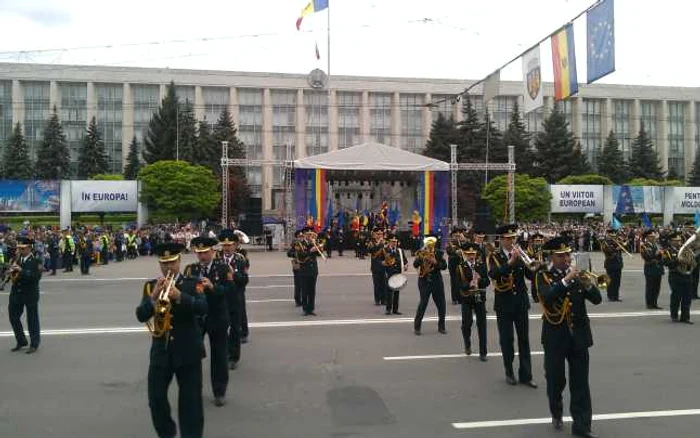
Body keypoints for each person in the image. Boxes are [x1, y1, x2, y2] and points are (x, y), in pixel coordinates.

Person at [135, 242, 208, 438]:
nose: (168, 267)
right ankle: (167, 433)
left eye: (172, 262)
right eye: (164, 263)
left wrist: (179, 296)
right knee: (156, 399)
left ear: (179, 261)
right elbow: (141, 315)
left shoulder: (193, 283)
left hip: (188, 350)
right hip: (162, 351)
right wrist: (153, 297)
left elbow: (203, 308)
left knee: (190, 402)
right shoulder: (151, 286)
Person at [534, 236, 601, 438]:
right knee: (555, 380)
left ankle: (582, 426)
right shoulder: (542, 275)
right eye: (560, 255)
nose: (565, 258)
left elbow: (597, 300)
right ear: (551, 257)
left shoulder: (579, 275)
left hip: (579, 336)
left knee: (580, 382)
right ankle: (556, 410)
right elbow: (545, 296)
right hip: (555, 336)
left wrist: (588, 284)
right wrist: (566, 280)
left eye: (567, 254)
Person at [185, 236, 234, 407]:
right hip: (197, 317)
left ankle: (219, 391)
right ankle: (193, 390)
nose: (202, 256)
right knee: (193, 355)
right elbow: (185, 292)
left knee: (219, 354)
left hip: (217, 315)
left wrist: (213, 287)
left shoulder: (223, 268)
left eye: (205, 252)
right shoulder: (191, 270)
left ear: (212, 251)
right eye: (199, 253)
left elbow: (231, 290)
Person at [487, 224, 537, 388]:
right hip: (504, 303)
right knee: (507, 340)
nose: (511, 241)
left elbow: (530, 275)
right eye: (508, 238)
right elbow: (493, 274)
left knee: (524, 340)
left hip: (521, 302)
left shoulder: (522, 254)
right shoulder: (494, 256)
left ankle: (526, 375)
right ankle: (509, 371)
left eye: (513, 238)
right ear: (501, 240)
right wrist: (510, 261)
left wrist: (534, 266)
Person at [218, 229, 248, 369]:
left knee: (235, 329)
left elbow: (245, 280)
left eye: (229, 245)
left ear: (235, 245)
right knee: (222, 329)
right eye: (224, 245)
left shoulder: (240, 260)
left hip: (236, 298)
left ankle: (233, 357)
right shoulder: (216, 260)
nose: (227, 248)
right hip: (221, 299)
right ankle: (223, 354)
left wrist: (233, 276)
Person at [7, 237, 42, 354]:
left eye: (23, 248)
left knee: (32, 319)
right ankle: (21, 340)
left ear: (29, 248)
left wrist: (21, 271)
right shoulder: (17, 259)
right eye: (19, 248)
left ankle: (34, 343)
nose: (20, 250)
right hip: (16, 293)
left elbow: (35, 278)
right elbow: (12, 276)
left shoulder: (36, 261)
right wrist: (9, 271)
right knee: (13, 317)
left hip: (30, 293)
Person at [457, 242, 490, 361]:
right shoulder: (461, 266)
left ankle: (483, 352)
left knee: (482, 324)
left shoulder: (481, 265)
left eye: (473, 254)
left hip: (479, 296)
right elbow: (458, 285)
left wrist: (480, 280)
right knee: (467, 324)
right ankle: (467, 342)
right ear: (465, 254)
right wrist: (468, 284)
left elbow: (487, 282)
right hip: (467, 297)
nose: (472, 256)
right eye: (469, 254)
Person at [413, 236, 447, 335]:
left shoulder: (439, 253)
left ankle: (441, 326)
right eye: (428, 243)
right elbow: (415, 265)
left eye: (432, 244)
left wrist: (435, 262)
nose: (430, 245)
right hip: (424, 281)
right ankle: (417, 327)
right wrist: (421, 257)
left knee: (441, 305)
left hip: (437, 281)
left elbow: (444, 266)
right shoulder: (421, 252)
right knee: (423, 303)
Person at [662, 232, 694, 324]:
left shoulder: (685, 250)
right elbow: (667, 263)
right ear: (671, 241)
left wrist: (690, 262)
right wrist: (677, 260)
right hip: (675, 276)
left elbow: (692, 260)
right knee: (676, 297)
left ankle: (685, 317)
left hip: (687, 275)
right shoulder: (667, 251)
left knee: (687, 298)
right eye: (676, 241)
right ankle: (674, 315)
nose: (678, 242)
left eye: (679, 240)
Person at [383, 234, 407, 315]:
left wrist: (406, 265)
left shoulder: (400, 251)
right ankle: (388, 309)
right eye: (392, 242)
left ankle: (395, 309)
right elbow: (380, 260)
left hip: (398, 273)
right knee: (389, 292)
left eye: (395, 242)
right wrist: (383, 263)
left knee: (397, 292)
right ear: (389, 242)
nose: (394, 243)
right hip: (389, 273)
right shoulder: (385, 250)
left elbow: (405, 260)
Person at [640, 230, 664, 309]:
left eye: (654, 236)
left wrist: (662, 253)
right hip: (650, 268)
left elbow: (661, 255)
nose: (653, 238)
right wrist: (656, 254)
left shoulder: (657, 245)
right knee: (650, 287)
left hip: (658, 268)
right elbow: (646, 257)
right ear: (647, 237)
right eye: (651, 237)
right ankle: (649, 303)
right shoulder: (644, 246)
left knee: (657, 287)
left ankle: (655, 303)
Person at [601, 229, 624, 302]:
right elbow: (608, 251)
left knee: (617, 281)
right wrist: (617, 249)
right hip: (610, 264)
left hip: (618, 264)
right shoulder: (605, 242)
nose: (613, 235)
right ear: (608, 234)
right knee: (610, 280)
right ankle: (610, 296)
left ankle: (616, 296)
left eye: (613, 234)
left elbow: (625, 247)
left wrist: (621, 243)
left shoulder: (616, 242)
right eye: (611, 234)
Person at [368, 228, 387, 306]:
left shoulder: (385, 243)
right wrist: (379, 243)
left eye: (381, 234)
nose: (380, 236)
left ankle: (384, 299)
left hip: (384, 266)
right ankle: (377, 299)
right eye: (378, 234)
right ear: (375, 235)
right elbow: (370, 250)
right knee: (377, 284)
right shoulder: (371, 243)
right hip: (375, 266)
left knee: (384, 284)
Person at [288, 230, 304, 307]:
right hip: (297, 265)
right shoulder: (295, 244)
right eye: (299, 236)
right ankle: (297, 300)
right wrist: (295, 253)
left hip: (304, 265)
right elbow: (289, 253)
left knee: (304, 283)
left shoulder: (304, 244)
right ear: (296, 237)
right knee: (298, 284)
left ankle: (303, 299)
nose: (301, 238)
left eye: (302, 236)